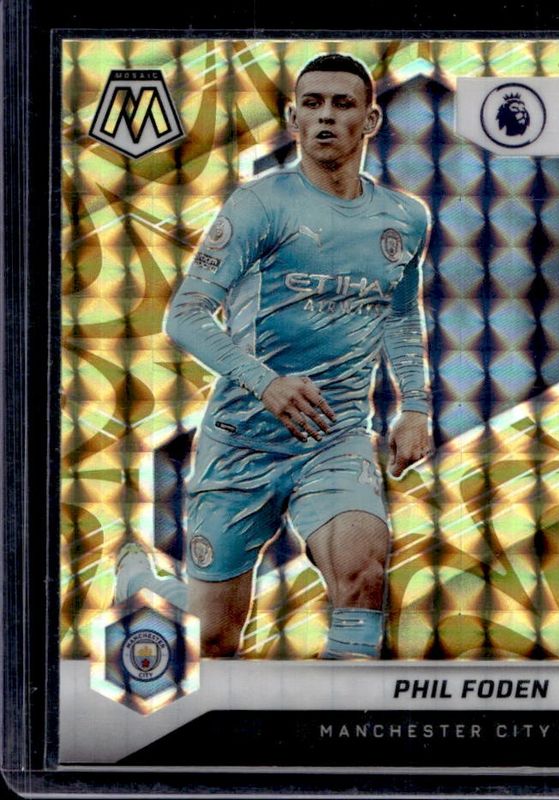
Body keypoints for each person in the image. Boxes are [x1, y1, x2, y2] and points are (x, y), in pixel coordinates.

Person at [114, 53, 432, 660]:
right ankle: (145, 587)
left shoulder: (405, 218)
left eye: (342, 104)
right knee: (214, 639)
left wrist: (414, 405)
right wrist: (265, 383)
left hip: (335, 440)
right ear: (292, 119)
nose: (325, 116)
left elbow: (398, 311)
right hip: (242, 443)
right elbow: (185, 314)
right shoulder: (259, 205)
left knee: (363, 574)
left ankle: (342, 715)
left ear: (370, 120)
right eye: (312, 104)